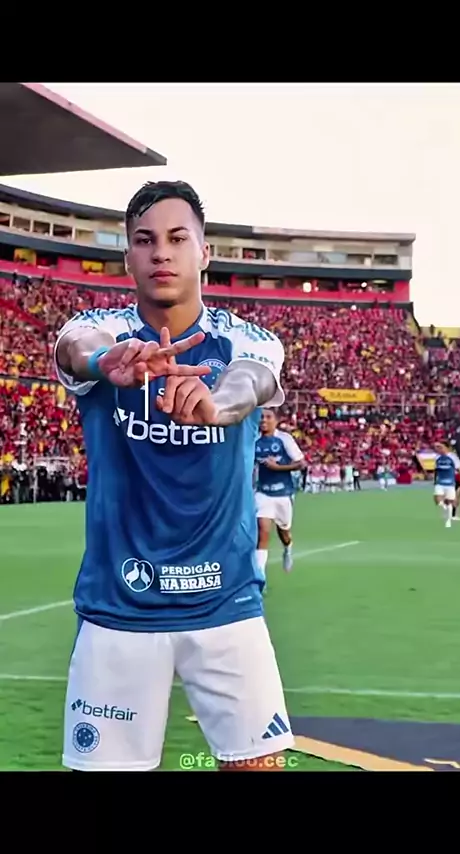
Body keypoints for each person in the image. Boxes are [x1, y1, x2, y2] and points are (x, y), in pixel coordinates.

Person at [55, 180, 294, 772]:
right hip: (119, 610)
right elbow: (76, 348)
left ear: (204, 252)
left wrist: (218, 403)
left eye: (177, 238)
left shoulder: (249, 339)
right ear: (128, 257)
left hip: (227, 605)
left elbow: (252, 379)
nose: (161, 252)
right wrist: (103, 362)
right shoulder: (101, 328)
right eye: (145, 240)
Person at [254, 409, 305, 578]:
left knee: (284, 532)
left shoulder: (284, 439)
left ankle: (287, 548)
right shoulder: (253, 440)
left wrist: (278, 468)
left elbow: (301, 463)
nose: (264, 420)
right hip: (263, 493)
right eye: (261, 417)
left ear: (276, 421)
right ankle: (260, 576)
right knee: (262, 532)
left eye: (268, 417)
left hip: (283, 493)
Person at [432, 442, 460, 528]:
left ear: (446, 447)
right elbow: (436, 469)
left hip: (450, 483)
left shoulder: (453, 457)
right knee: (437, 500)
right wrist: (434, 480)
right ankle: (444, 507)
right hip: (440, 482)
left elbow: (458, 468)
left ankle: (448, 520)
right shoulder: (437, 457)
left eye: (440, 447)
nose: (438, 449)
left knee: (449, 502)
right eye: (438, 447)